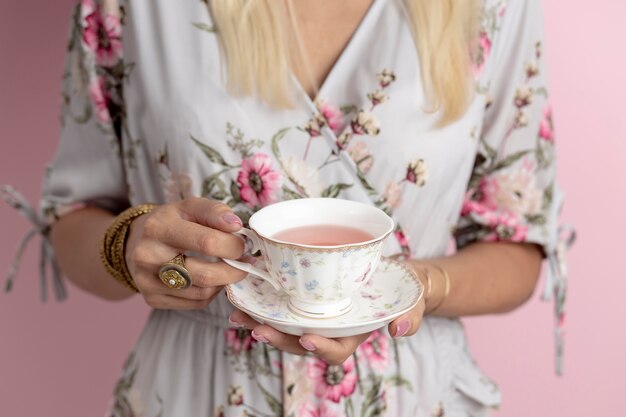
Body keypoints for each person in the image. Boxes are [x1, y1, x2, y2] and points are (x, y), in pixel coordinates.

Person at [3, 0, 574, 416]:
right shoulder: (134, 8)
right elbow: (73, 217)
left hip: (417, 398)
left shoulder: (493, 8)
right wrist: (124, 246)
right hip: (191, 395)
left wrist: (418, 286)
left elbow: (517, 242)